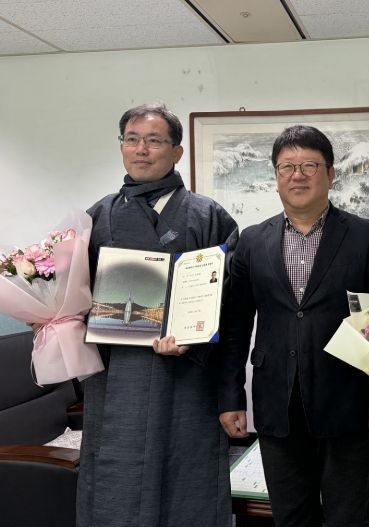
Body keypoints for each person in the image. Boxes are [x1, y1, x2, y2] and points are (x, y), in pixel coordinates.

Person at [219, 125, 369, 527]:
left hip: (346, 398)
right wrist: (231, 396)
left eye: (309, 166)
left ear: (330, 174)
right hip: (276, 400)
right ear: (276, 176)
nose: (297, 175)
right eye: (287, 167)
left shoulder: (365, 236)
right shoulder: (252, 240)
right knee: (290, 515)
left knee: (347, 516)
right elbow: (235, 327)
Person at [79, 103, 238, 527]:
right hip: (117, 375)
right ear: (121, 147)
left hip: (186, 374)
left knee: (188, 473)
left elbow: (231, 298)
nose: (141, 150)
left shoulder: (208, 215)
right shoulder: (98, 216)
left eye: (153, 141)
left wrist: (193, 339)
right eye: (132, 140)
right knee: (114, 474)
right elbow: (76, 295)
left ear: (177, 151)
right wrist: (54, 318)